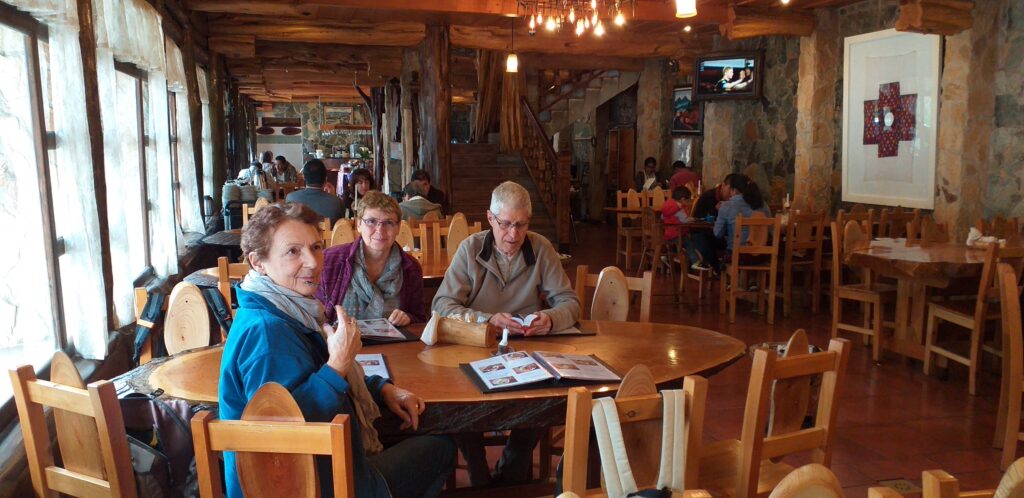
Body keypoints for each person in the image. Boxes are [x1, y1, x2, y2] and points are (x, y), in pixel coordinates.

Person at [219, 202, 455, 498]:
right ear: (258, 262)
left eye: (316, 247)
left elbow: (311, 377)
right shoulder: (267, 332)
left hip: (323, 472)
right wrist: (339, 364)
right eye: (293, 251)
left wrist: (381, 388)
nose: (313, 262)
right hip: (310, 487)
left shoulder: (286, 310)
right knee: (441, 446)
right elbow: (284, 433)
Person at [432, 181, 581, 486]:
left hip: (526, 349)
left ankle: (511, 470)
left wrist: (550, 319)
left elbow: (570, 303)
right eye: (505, 224)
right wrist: (488, 320)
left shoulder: (541, 248)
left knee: (545, 396)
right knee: (456, 396)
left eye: (521, 225)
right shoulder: (470, 249)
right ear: (490, 218)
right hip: (475, 348)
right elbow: (442, 305)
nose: (513, 235)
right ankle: (478, 470)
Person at [317, 191, 425, 326]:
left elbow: (420, 319)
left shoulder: (411, 268)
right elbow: (315, 319)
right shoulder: (329, 261)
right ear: (359, 225)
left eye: (389, 223)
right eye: (371, 221)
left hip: (392, 340)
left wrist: (408, 318)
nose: (380, 230)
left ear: (398, 228)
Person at [286, 159, 344, 225]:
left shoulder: (290, 198)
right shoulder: (337, 202)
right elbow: (341, 225)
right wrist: (333, 197)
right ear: (325, 179)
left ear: (303, 177)